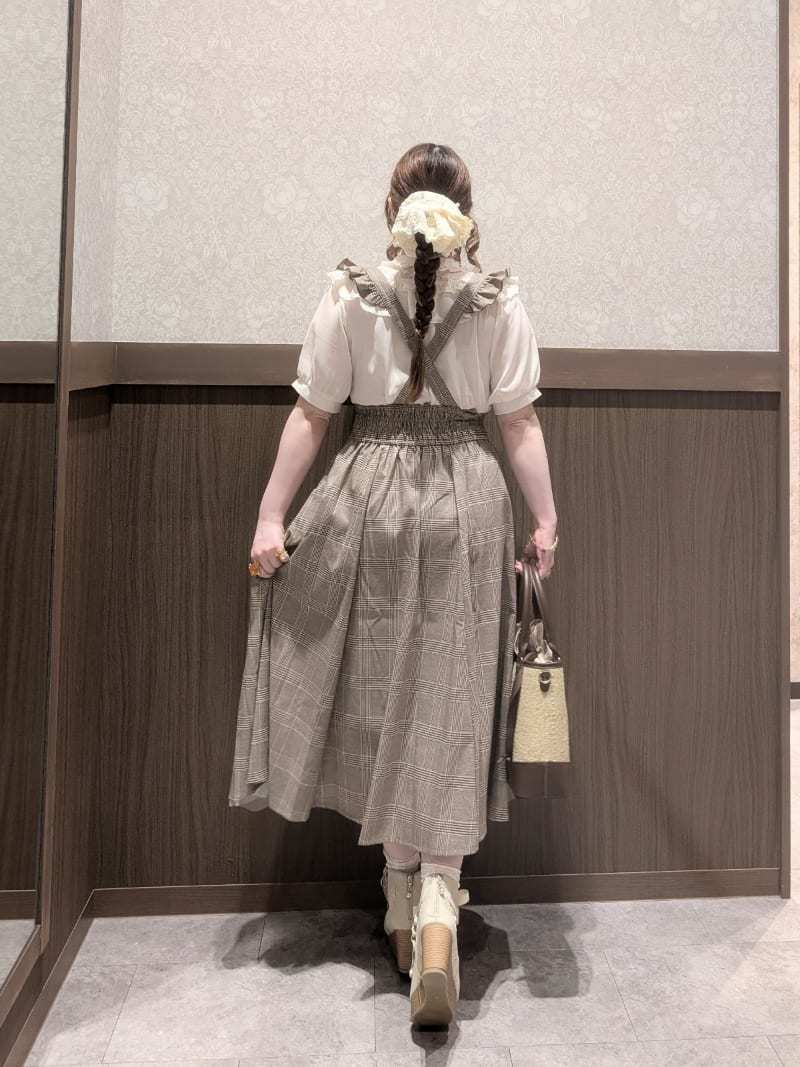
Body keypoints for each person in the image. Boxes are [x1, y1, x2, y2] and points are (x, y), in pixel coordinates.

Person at [228, 143, 558, 1027]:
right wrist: (546, 520)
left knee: (383, 696)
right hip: (469, 502)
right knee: (448, 698)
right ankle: (441, 895)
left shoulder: (351, 293)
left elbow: (312, 413)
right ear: (467, 212)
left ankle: (403, 898)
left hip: (369, 496)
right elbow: (519, 422)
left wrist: (270, 517)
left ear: (392, 208)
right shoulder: (497, 298)